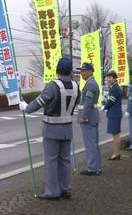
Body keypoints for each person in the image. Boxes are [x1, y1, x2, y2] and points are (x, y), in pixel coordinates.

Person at [19, 58, 80, 200]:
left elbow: (40, 101)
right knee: (65, 160)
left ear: (57, 70)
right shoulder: (76, 86)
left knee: (51, 161)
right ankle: (66, 189)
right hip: (67, 129)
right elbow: (77, 102)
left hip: (52, 128)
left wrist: (26, 107)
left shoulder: (53, 86)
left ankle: (52, 191)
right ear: (71, 71)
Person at [76, 62, 102, 176]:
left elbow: (88, 102)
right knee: (94, 143)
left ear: (89, 72)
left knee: (90, 144)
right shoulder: (91, 83)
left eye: (83, 71)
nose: (81, 73)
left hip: (89, 118)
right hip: (93, 117)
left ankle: (92, 168)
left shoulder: (90, 84)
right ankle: (97, 167)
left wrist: (84, 117)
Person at [103, 70, 123, 160]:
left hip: (114, 113)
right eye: (107, 77)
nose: (108, 79)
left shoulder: (115, 89)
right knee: (115, 133)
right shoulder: (114, 87)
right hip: (115, 113)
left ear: (115, 78)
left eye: (110, 77)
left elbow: (111, 101)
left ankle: (116, 153)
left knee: (115, 134)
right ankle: (117, 153)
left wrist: (104, 107)